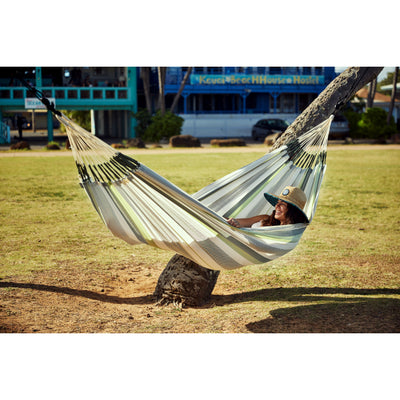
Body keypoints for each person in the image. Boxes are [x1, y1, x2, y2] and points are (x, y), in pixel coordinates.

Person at [227, 186, 309, 228]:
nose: (277, 206)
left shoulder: (290, 231)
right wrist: (234, 222)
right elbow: (238, 222)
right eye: (278, 202)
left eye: (282, 204)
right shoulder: (265, 218)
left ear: (293, 210)